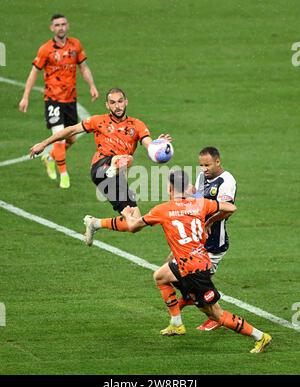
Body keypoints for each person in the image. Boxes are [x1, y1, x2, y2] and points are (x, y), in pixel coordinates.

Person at [121, 170, 271, 354]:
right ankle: (176, 324)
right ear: (188, 187)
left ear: (169, 188)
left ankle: (260, 336)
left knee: (216, 314)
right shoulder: (200, 204)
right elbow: (231, 208)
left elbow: (133, 227)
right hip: (195, 263)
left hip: (194, 271)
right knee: (161, 276)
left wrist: (128, 215)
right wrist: (208, 220)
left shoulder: (162, 209)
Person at [29, 88, 171, 237]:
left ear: (126, 102)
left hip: (118, 177)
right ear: (107, 105)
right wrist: (44, 144)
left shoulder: (136, 125)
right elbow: (70, 130)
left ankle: (95, 223)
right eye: (112, 102)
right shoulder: (98, 121)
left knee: (134, 224)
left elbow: (148, 144)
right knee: (126, 158)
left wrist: (158, 146)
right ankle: (113, 167)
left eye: (120, 101)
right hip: (100, 168)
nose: (117, 106)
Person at [20, 14, 99, 188]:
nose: (61, 27)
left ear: (67, 26)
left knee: (70, 139)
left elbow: (83, 67)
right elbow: (34, 72)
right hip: (53, 100)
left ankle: (49, 157)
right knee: (60, 139)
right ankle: (64, 175)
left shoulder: (75, 45)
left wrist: (92, 86)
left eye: (63, 24)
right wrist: (25, 96)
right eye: (57, 25)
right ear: (52, 28)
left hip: (70, 100)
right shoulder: (45, 49)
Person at [179, 146, 237, 332]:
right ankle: (195, 302)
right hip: (195, 239)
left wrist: (208, 221)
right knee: (178, 272)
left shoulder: (226, 181)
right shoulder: (203, 176)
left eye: (207, 165)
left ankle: (215, 316)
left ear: (217, 161)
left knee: (197, 284)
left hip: (213, 244)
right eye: (201, 165)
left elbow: (226, 208)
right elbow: (198, 198)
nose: (204, 169)